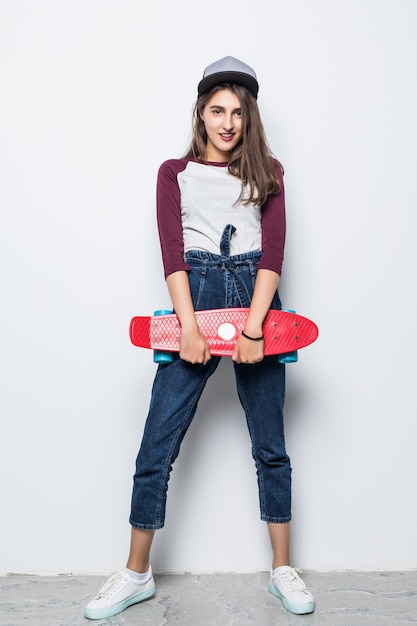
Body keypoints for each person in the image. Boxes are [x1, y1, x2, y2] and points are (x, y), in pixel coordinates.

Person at [85, 55, 315, 620]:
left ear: (250, 117)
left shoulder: (270, 173)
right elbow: (172, 254)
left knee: (270, 446)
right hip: (197, 301)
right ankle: (136, 572)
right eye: (218, 110)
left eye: (238, 112)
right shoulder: (174, 173)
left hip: (257, 305)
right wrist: (187, 326)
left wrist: (257, 325)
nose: (228, 122)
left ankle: (282, 569)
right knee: (155, 446)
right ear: (201, 113)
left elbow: (274, 254)